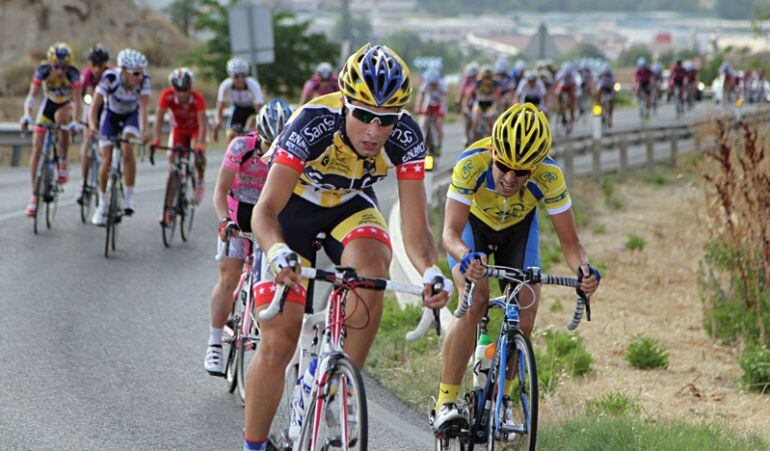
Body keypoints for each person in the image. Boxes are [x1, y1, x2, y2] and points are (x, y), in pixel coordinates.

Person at [242, 43, 452, 451]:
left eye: (385, 120)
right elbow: (264, 211)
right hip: (291, 209)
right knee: (278, 341)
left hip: (349, 207)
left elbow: (416, 229)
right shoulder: (312, 122)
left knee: (373, 270)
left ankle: (342, 387)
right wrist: (275, 251)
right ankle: (253, 444)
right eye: (364, 117)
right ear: (345, 105)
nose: (374, 131)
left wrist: (430, 270)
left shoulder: (407, 136)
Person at [432, 103, 601, 433]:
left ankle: (504, 398)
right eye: (503, 166)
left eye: (521, 172)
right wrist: (467, 256)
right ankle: (446, 402)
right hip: (472, 230)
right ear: (493, 150)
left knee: (525, 310)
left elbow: (570, 244)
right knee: (475, 297)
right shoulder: (471, 163)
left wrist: (584, 269)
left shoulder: (550, 175)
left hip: (518, 231)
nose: (510, 178)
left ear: (535, 166)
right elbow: (450, 233)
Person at [204, 98, 293, 376]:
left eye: (276, 145)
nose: (271, 151)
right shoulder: (241, 146)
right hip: (238, 213)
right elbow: (220, 191)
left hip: (269, 217)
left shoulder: (292, 152)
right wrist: (224, 221)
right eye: (267, 144)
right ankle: (215, 343)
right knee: (229, 276)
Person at [88, 48, 150, 225]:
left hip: (131, 116)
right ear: (123, 71)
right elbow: (94, 107)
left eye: (142, 72)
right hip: (111, 116)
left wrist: (145, 132)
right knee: (106, 160)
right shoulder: (110, 78)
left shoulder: (144, 81)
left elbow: (144, 109)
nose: (140, 76)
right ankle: (101, 204)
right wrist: (93, 127)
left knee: (127, 148)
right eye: (136, 73)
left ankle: (129, 198)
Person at [20, 42, 82, 217]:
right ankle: (34, 196)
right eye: (56, 67)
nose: (60, 71)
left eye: (64, 67)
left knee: (61, 119)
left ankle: (63, 160)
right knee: (37, 148)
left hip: (65, 106)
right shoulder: (43, 71)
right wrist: (26, 115)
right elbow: (31, 97)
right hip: (47, 105)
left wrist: (76, 121)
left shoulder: (74, 74)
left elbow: (77, 101)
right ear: (50, 64)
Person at [152, 67, 208, 218]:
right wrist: (156, 139)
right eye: (178, 89)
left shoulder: (197, 98)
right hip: (179, 130)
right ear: (173, 88)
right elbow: (158, 120)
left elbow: (203, 124)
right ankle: (167, 211)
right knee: (172, 164)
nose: (182, 93)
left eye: (186, 89)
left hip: (195, 130)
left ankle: (200, 182)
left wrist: (200, 144)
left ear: (191, 87)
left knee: (196, 152)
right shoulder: (167, 96)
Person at [77, 44, 110, 206]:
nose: (97, 69)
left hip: (106, 109)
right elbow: (79, 95)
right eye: (94, 65)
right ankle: (84, 184)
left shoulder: (110, 75)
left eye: (100, 65)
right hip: (90, 108)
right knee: (87, 142)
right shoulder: (86, 76)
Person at [213, 57, 264, 142]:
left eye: (243, 76)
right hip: (237, 109)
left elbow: (259, 108)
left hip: (252, 110)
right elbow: (220, 106)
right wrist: (217, 121)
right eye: (236, 77)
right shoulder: (225, 85)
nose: (240, 79)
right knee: (231, 136)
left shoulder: (253, 85)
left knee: (251, 133)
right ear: (231, 76)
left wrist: (259, 125)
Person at [416, 69, 448, 156]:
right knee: (424, 122)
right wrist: (418, 108)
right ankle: (424, 140)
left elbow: (444, 100)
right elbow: (420, 97)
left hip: (439, 105)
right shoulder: (425, 85)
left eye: (433, 84)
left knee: (438, 124)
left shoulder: (442, 85)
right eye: (430, 84)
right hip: (429, 104)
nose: (431, 86)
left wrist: (441, 112)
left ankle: (439, 146)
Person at [470, 66, 500, 142]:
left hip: (490, 104)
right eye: (485, 77)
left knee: (490, 121)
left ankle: (491, 140)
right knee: (475, 120)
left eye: (489, 77)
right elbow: (473, 93)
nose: (487, 79)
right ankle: (473, 139)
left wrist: (497, 107)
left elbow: (497, 96)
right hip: (480, 103)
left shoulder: (495, 83)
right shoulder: (478, 82)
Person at [458, 62, 480, 145]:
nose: (472, 78)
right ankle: (466, 135)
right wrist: (459, 103)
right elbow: (462, 93)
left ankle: (476, 134)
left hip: (478, 101)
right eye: (470, 76)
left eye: (474, 76)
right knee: (467, 119)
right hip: (469, 102)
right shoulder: (465, 81)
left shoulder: (479, 80)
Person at [555, 62, 578, 129]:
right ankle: (560, 107)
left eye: (568, 74)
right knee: (558, 94)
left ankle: (572, 113)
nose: (567, 75)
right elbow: (557, 82)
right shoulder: (561, 73)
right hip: (563, 86)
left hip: (570, 87)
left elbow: (574, 85)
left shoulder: (573, 74)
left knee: (572, 100)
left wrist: (572, 97)